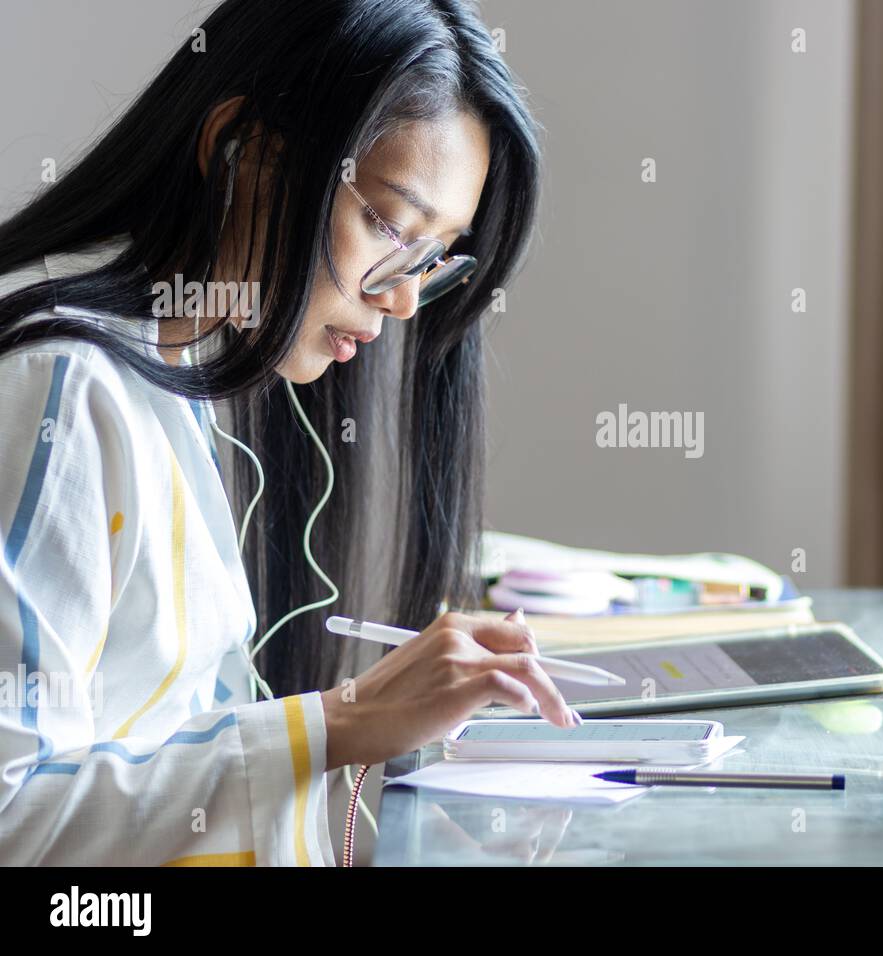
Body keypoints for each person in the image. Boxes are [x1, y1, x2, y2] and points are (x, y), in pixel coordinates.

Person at [0, 0, 575, 866]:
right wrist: (341, 722)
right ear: (241, 152)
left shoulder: (170, 376)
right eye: (387, 225)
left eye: (433, 255)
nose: (405, 296)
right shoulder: (63, 386)